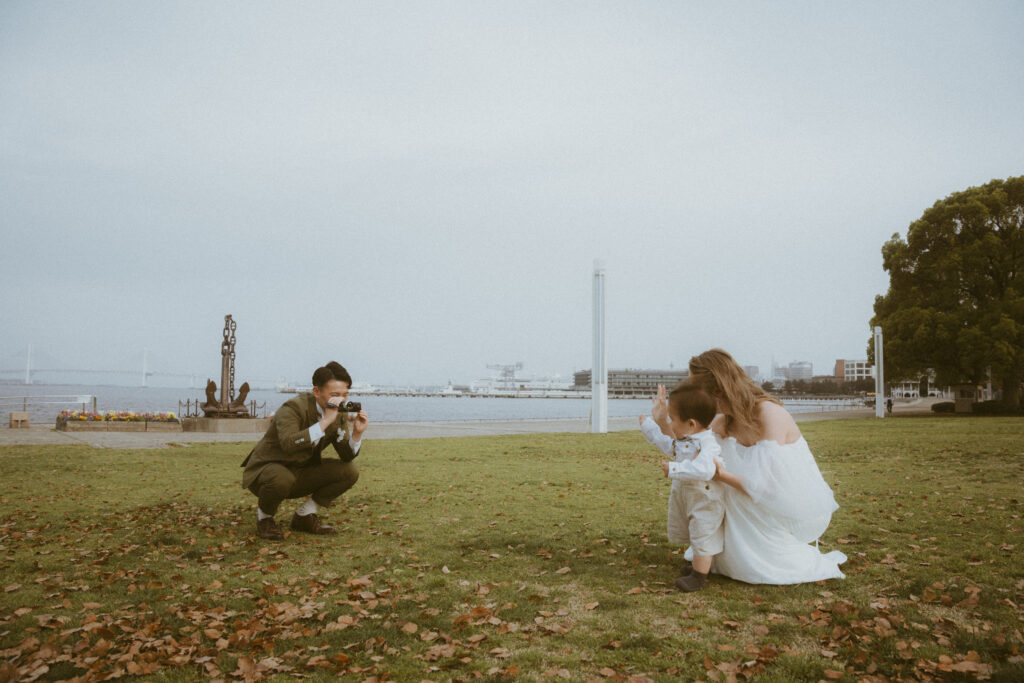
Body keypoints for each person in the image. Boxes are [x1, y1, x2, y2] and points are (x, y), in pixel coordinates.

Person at [651, 349, 846, 585]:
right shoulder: (723, 421)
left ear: (717, 392)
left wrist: (720, 474)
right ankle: (708, 558)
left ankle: (721, 556)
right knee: (710, 493)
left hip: (780, 504)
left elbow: (769, 489)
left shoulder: (769, 415)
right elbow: (685, 442)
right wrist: (662, 420)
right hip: (746, 499)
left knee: (717, 489)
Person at [241, 361, 369, 540]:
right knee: (281, 477)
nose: (341, 400)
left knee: (349, 471)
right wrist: (324, 422)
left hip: (299, 472)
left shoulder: (337, 414)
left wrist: (356, 434)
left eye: (345, 395)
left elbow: (346, 456)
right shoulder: (293, 408)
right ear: (316, 391)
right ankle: (265, 519)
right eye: (335, 395)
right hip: (267, 471)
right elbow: (288, 443)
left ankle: (304, 516)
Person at [639, 383, 724, 592]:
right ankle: (698, 568)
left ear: (691, 424)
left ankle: (699, 576)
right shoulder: (688, 439)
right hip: (688, 495)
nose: (670, 424)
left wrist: (674, 469)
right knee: (693, 531)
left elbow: (706, 469)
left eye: (673, 420)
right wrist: (649, 427)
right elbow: (668, 445)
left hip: (705, 497)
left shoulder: (707, 444)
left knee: (702, 532)